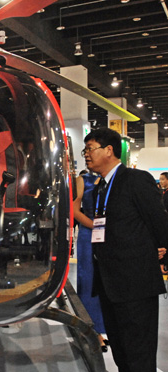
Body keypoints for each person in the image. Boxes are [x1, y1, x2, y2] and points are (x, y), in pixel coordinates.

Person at [83, 127, 168, 372]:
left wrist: (162, 251)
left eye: (90, 149)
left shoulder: (135, 180)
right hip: (110, 284)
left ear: (109, 150)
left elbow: (159, 221)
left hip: (136, 283)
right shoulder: (100, 186)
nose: (86, 155)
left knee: (138, 354)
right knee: (121, 352)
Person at [73, 169, 108, 352]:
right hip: (89, 234)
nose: (87, 154)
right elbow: (74, 210)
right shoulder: (83, 180)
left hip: (111, 235)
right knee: (88, 281)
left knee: (107, 282)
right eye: (85, 150)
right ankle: (90, 331)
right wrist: (96, 226)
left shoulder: (115, 179)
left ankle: (103, 328)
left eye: (91, 149)